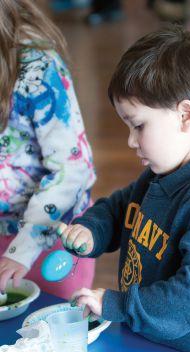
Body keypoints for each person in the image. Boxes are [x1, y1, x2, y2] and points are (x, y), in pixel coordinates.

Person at [58, 25, 190, 352]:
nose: (131, 141)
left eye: (138, 125)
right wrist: (93, 229)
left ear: (185, 116)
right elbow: (123, 207)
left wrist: (119, 305)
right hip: (153, 340)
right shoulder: (164, 172)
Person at [0, 0, 96, 299]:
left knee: (51, 332)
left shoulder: (39, 69)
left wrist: (24, 248)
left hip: (53, 234)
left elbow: (72, 170)